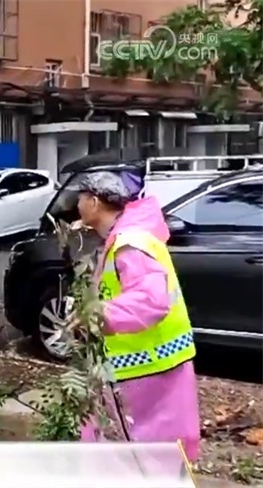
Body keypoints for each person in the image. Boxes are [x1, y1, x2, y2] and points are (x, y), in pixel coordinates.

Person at [75, 171, 200, 462]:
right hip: (152, 364)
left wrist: (97, 316)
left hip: (149, 368)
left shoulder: (130, 242)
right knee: (148, 452)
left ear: (94, 202)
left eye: (80, 198)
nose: (76, 205)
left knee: (145, 455)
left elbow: (151, 300)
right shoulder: (125, 237)